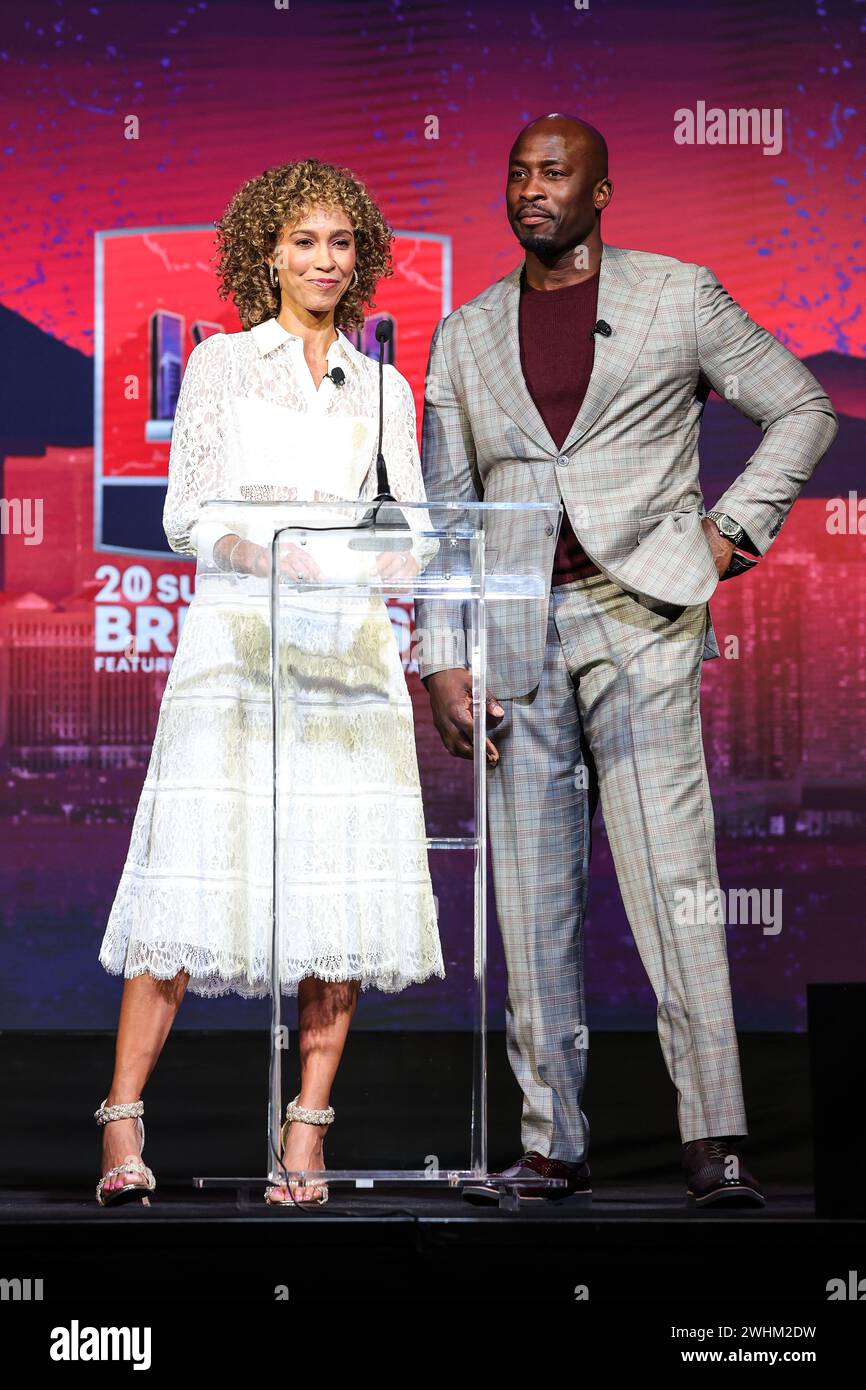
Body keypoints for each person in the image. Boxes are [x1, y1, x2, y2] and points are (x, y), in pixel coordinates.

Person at [415, 114, 838, 1206]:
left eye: (552, 174)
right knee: (532, 905)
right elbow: (446, 516)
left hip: (639, 618)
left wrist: (730, 530)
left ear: (601, 191)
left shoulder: (674, 294)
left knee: (673, 885)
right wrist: (439, 653)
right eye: (515, 173)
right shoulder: (463, 335)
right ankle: (551, 1143)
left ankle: (715, 1140)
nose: (529, 190)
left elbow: (800, 404)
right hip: (514, 634)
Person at [96, 158, 443, 1208]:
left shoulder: (383, 384)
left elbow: (418, 520)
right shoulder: (217, 367)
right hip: (239, 641)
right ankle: (121, 1125)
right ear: (266, 253)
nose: (323, 261)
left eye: (340, 243)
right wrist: (257, 552)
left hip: (344, 648)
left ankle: (306, 1133)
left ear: (360, 257)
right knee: (191, 875)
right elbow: (184, 513)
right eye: (304, 242)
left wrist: (400, 558)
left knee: (336, 886)